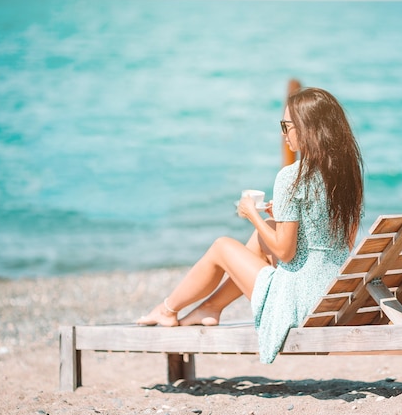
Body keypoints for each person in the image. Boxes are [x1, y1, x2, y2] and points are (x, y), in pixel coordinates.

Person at [137, 87, 364, 364]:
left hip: (299, 301)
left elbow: (285, 252)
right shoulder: (349, 177)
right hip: (333, 292)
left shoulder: (292, 177)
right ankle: (210, 307)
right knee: (264, 232)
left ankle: (168, 309)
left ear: (307, 128)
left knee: (222, 246)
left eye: (286, 125)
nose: (283, 133)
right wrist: (276, 214)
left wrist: (250, 213)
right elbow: (342, 242)